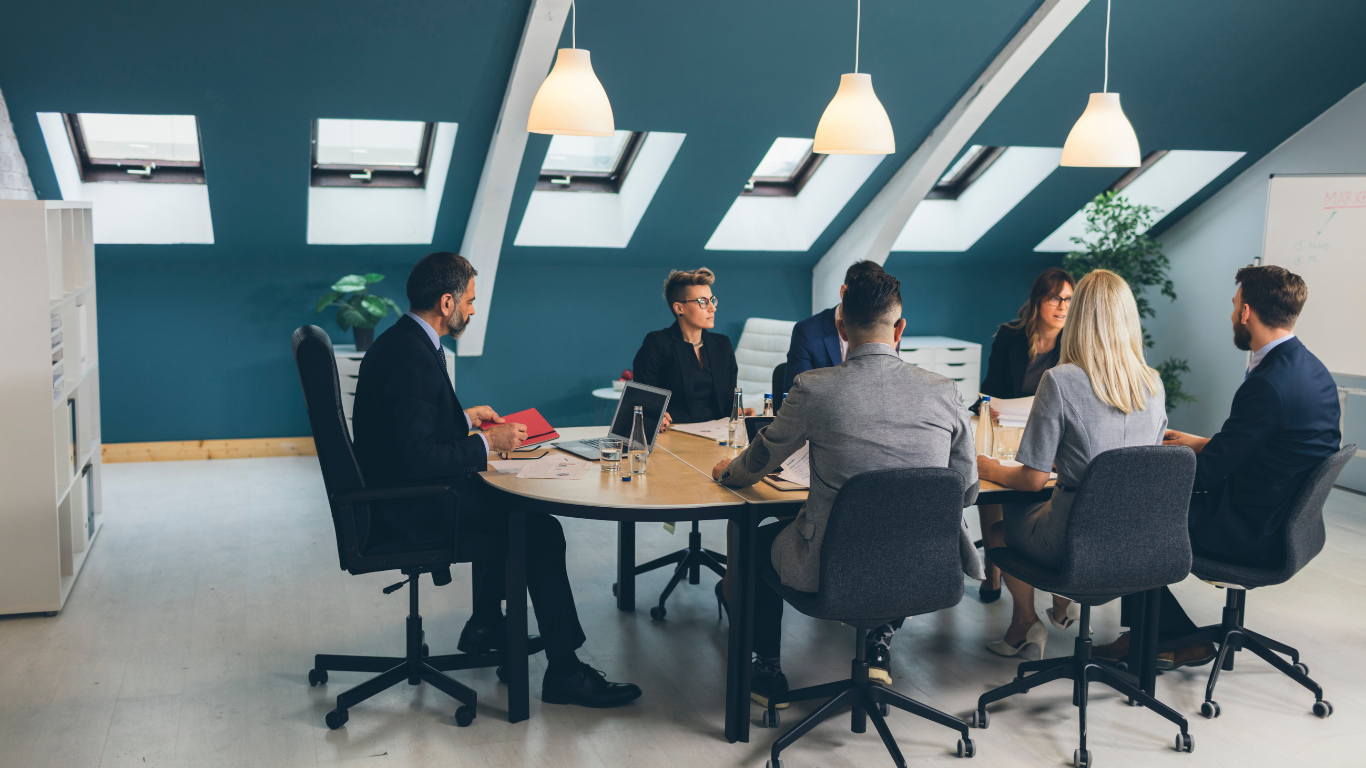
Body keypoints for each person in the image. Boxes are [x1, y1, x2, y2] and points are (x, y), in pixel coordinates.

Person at [351, 252, 641, 708]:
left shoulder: (404, 342)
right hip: (411, 507)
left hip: (396, 493)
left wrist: (464, 418)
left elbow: (408, 429)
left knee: (504, 501)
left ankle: (485, 624)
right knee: (540, 530)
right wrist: (490, 444)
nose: (472, 309)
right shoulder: (412, 356)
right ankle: (565, 672)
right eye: (468, 300)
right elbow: (418, 460)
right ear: (446, 302)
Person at [709, 269, 982, 707]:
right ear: (900, 329)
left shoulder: (815, 388)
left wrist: (729, 472)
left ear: (841, 326)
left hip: (830, 567)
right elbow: (966, 493)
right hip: (923, 565)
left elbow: (763, 456)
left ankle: (765, 667)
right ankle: (880, 641)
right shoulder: (944, 390)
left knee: (755, 538)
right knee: (895, 538)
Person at [1093, 265, 1341, 669]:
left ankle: (1168, 637)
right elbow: (1279, 446)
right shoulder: (1310, 368)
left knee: (1132, 518)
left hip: (1250, 530)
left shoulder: (1268, 383)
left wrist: (1145, 469)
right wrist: (1203, 444)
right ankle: (1156, 633)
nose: (1231, 315)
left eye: (1233, 305)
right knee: (1146, 508)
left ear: (1246, 312)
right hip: (1285, 518)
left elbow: (1207, 475)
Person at [977, 269, 1167, 661]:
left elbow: (1031, 480)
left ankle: (1023, 624)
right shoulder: (1153, 383)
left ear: (1078, 316)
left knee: (998, 528)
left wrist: (988, 468)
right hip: (1137, 542)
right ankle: (1061, 609)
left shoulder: (1060, 381)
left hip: (1073, 542)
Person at [975, 267, 1075, 603]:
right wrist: (989, 405)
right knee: (989, 487)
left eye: (1068, 300)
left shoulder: (1073, 343)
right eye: (1055, 298)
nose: (1062, 307)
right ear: (1038, 301)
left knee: (1031, 486)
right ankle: (992, 574)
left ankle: (1054, 596)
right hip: (1009, 430)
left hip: (1052, 436)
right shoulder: (1010, 336)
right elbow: (990, 389)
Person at [632, 267, 753, 429]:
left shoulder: (723, 345)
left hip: (717, 435)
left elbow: (729, 404)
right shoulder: (657, 343)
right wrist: (654, 414)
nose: (712, 308)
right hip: (673, 435)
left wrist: (739, 412)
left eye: (712, 300)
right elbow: (641, 400)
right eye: (703, 302)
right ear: (679, 308)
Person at [781, 260, 887, 397]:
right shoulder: (806, 332)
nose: (869, 308)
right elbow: (796, 395)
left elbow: (886, 385)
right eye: (862, 298)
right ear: (844, 293)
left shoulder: (885, 331)